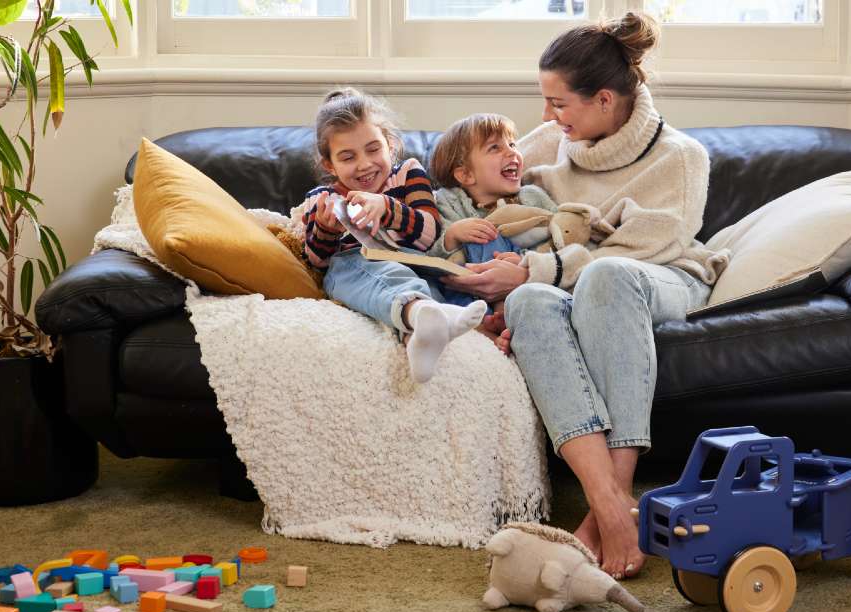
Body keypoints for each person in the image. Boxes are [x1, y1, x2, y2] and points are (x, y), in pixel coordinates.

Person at [442, 12, 729, 580]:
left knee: (606, 275)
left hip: (663, 276)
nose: (547, 117)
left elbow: (645, 249)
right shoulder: (550, 143)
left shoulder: (681, 156)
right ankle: (610, 502)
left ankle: (608, 509)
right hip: (580, 280)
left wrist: (535, 268)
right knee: (529, 304)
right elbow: (484, 196)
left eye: (558, 103)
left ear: (603, 99)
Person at [298, 88, 487, 384]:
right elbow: (316, 263)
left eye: (373, 149)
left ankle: (422, 328)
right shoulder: (321, 198)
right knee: (355, 266)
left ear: (390, 144)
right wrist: (326, 230)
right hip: (354, 265)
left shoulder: (408, 175)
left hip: (414, 263)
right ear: (329, 164)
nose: (364, 164)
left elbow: (429, 235)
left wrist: (387, 207)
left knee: (425, 281)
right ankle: (423, 315)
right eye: (348, 157)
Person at [427, 112, 561, 341]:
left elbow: (558, 234)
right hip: (466, 287)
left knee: (490, 234)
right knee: (475, 235)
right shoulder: (447, 201)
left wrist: (525, 261)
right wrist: (452, 235)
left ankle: (501, 315)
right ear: (466, 174)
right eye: (495, 148)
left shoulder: (531, 196)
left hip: (517, 278)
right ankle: (484, 326)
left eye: (512, 144)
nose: (512, 152)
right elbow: (432, 252)